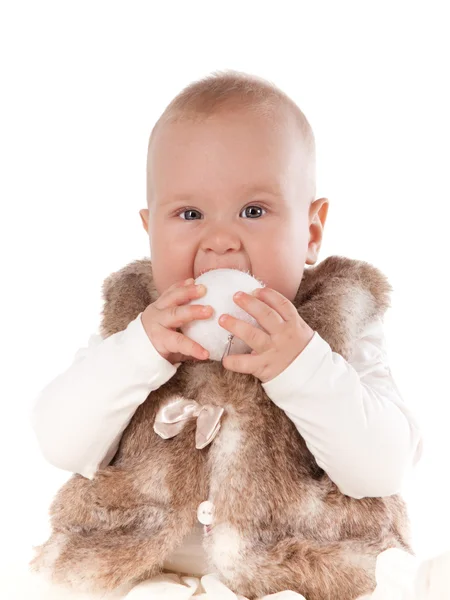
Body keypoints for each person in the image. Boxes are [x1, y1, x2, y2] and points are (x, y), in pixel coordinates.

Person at [31, 70, 423, 582]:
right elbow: (60, 441)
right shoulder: (136, 318)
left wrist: (305, 367)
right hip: (147, 565)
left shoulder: (337, 315)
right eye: (190, 213)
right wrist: (136, 354)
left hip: (302, 567)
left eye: (253, 210)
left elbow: (382, 468)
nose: (220, 241)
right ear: (150, 234)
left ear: (310, 231)